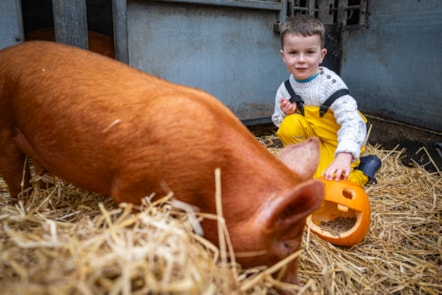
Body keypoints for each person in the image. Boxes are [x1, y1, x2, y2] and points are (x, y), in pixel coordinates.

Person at [272, 15, 380, 185]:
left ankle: (363, 171)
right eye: (293, 53)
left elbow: (351, 121)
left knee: (329, 184)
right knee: (289, 124)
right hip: (312, 142)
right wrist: (287, 115)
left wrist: (344, 155)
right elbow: (278, 122)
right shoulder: (285, 89)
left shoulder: (330, 85)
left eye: (309, 52)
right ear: (283, 55)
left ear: (321, 55)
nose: (301, 60)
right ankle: (307, 165)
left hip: (336, 142)